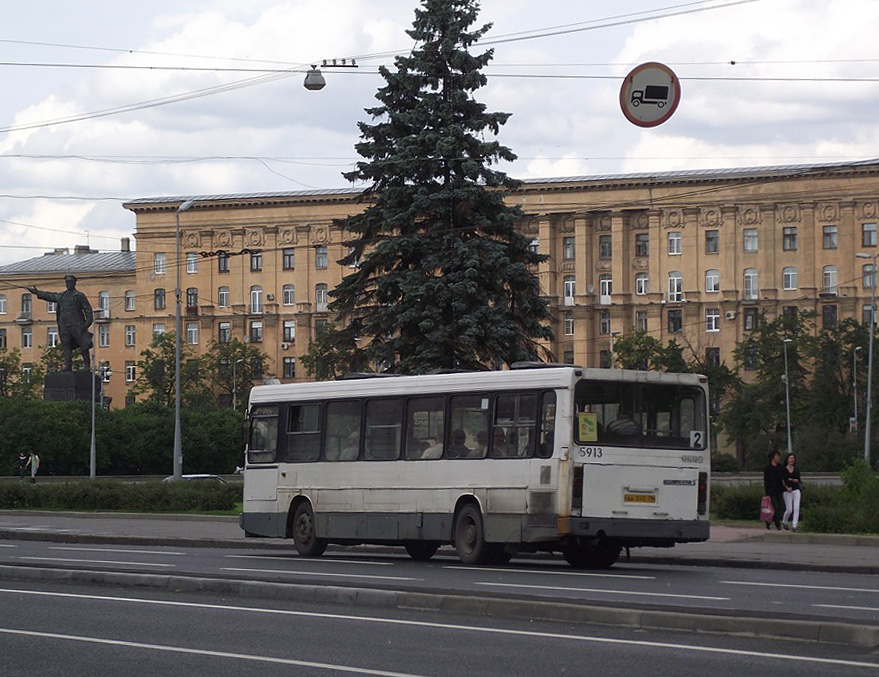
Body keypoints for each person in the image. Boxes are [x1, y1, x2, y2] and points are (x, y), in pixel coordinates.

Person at [28, 275, 94, 371]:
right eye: (67, 282)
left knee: (83, 345)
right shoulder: (62, 296)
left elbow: (88, 309)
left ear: (74, 283)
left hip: (77, 325)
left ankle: (87, 365)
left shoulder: (79, 295)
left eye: (70, 282)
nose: (68, 284)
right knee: (66, 345)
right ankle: (67, 366)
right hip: (64, 325)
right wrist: (37, 292)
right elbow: (50, 296)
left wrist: (87, 323)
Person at [763, 450, 785, 531]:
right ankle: (777, 525)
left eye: (779, 456)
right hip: (771, 491)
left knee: (780, 508)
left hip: (779, 490)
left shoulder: (780, 467)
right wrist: (767, 493)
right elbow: (766, 481)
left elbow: (784, 478)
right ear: (772, 458)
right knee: (775, 507)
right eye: (777, 456)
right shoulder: (768, 468)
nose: (778, 458)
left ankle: (770, 521)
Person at [781, 452, 802, 532]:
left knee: (796, 508)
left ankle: (794, 526)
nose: (792, 460)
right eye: (790, 458)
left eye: (793, 458)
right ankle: (784, 522)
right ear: (787, 460)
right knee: (789, 510)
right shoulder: (784, 469)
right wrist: (787, 487)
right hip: (787, 491)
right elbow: (783, 480)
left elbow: (798, 479)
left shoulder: (796, 468)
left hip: (796, 490)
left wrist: (792, 480)